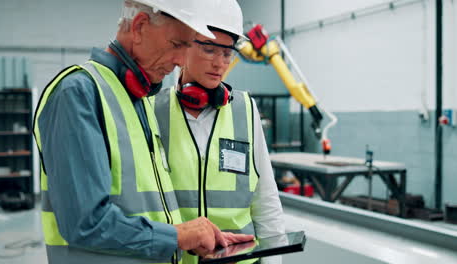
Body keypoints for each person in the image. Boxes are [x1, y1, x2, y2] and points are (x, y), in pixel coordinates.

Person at [33, 1, 252, 263]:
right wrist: (177, 237)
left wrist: (192, 236)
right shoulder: (78, 94)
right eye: (177, 45)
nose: (181, 61)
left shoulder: (139, 101)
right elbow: (86, 222)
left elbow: (144, 208)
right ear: (139, 27)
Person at [152, 1, 285, 263]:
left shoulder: (244, 109)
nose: (220, 63)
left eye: (227, 53)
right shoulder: (152, 110)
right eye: (210, 49)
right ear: (184, 43)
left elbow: (265, 199)